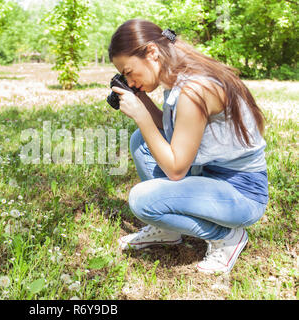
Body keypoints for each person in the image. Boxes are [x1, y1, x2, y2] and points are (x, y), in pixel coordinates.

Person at [109, 19, 269, 274]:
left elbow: (175, 170)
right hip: (209, 177)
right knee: (141, 139)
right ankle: (168, 229)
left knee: (142, 200)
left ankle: (227, 237)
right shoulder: (178, 75)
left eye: (129, 71)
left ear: (151, 52)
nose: (128, 79)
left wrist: (141, 115)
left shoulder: (196, 88)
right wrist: (142, 100)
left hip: (240, 193)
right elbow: (174, 126)